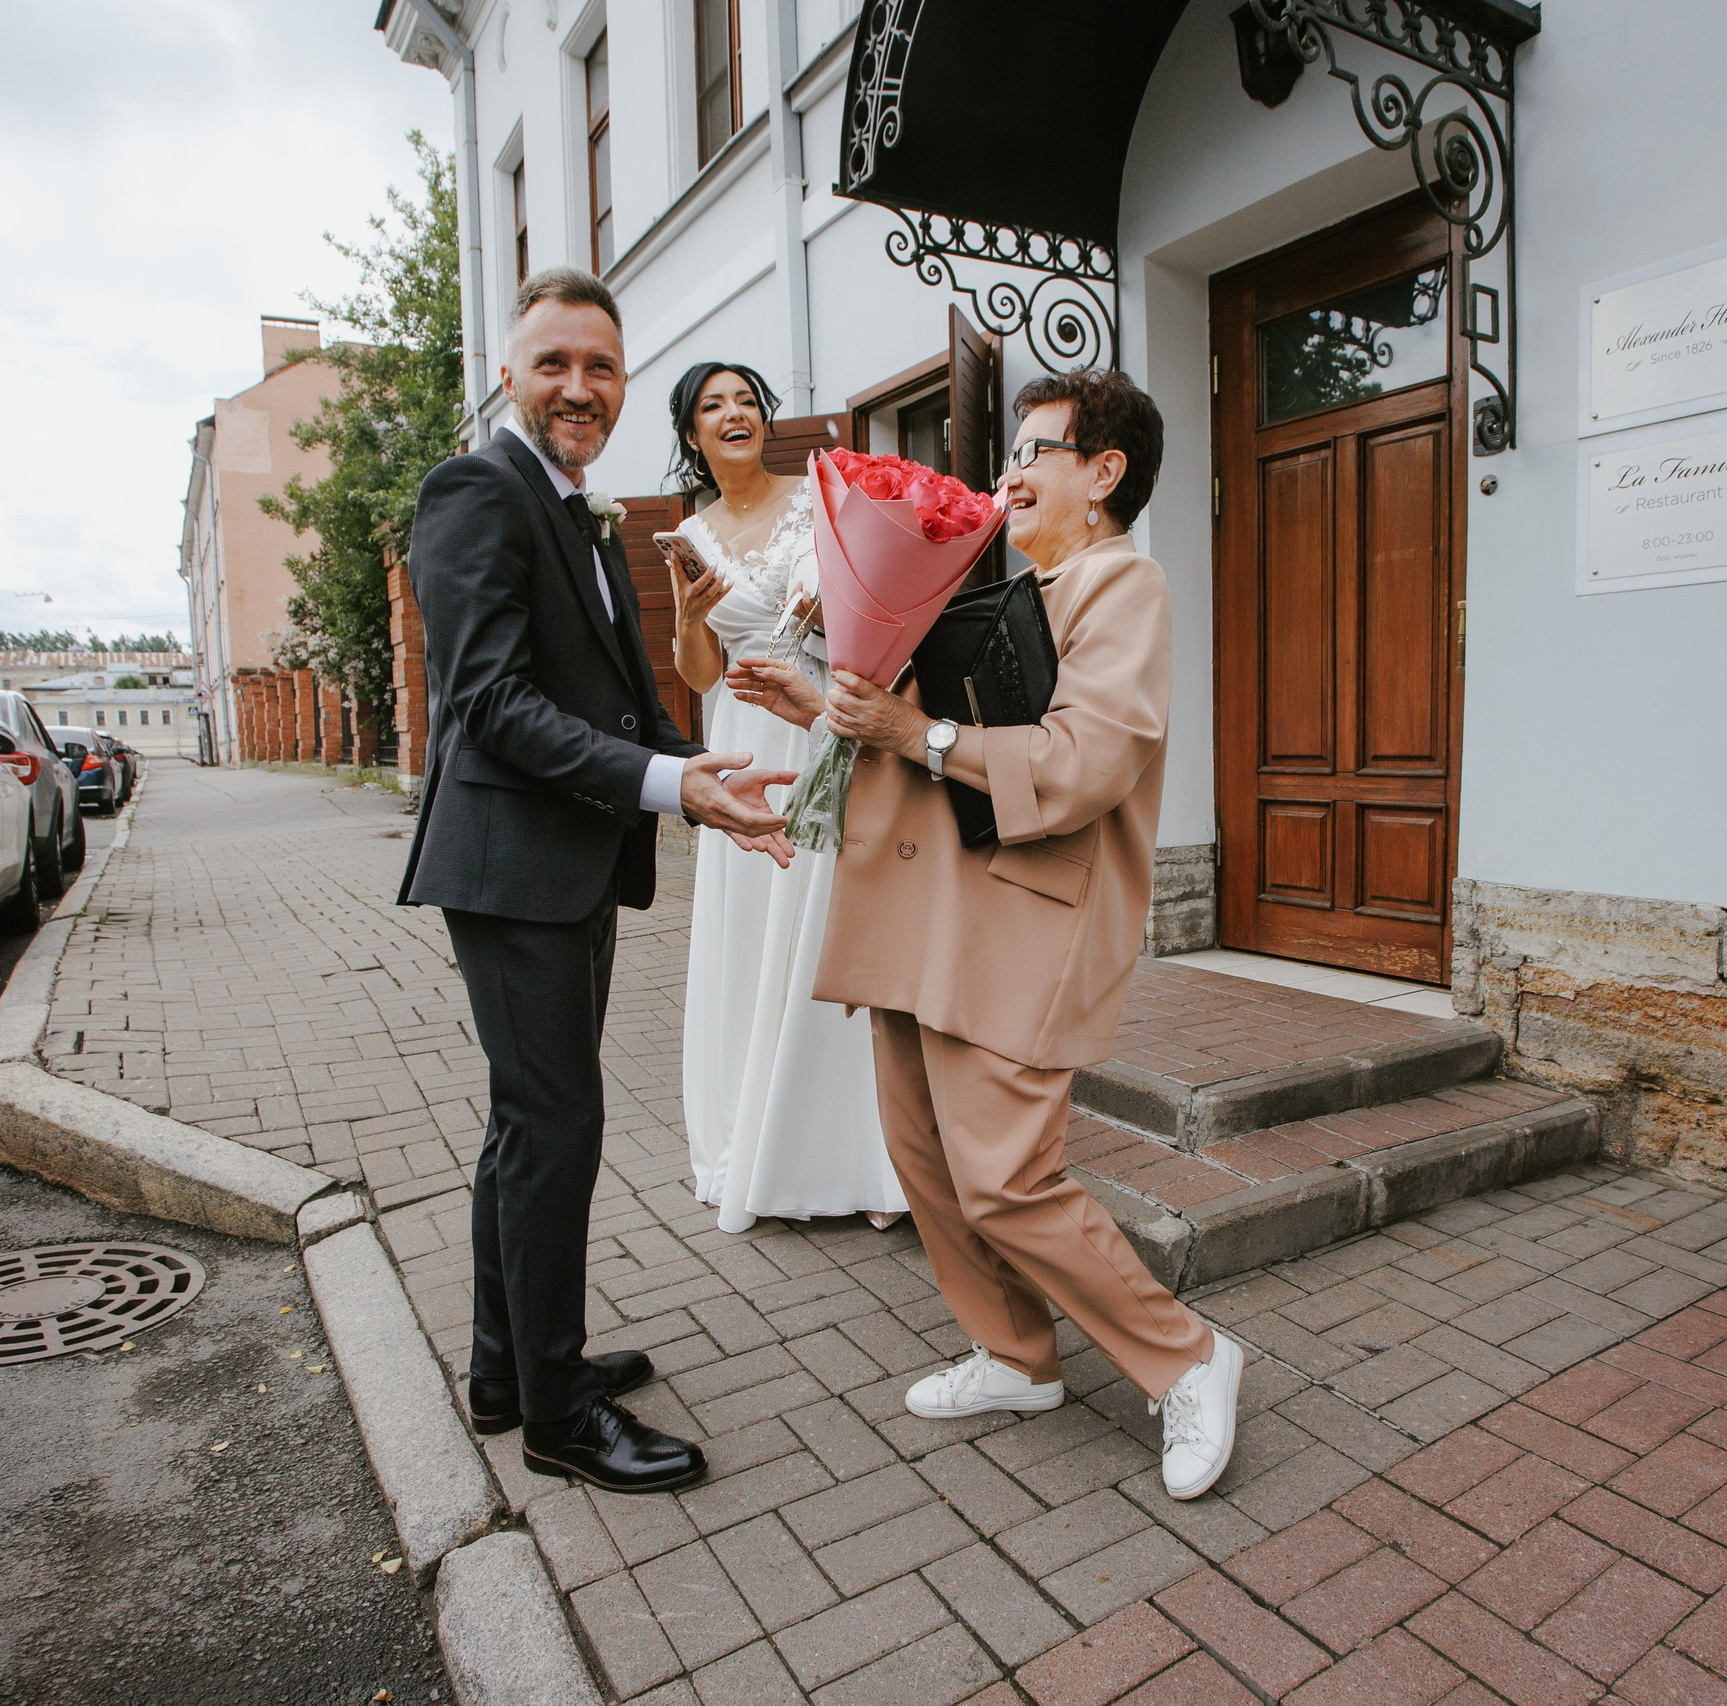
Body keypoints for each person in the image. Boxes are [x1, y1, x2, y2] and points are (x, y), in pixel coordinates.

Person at [727, 367, 1243, 1500]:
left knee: (1007, 1175)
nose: (1007, 472)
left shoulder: (1123, 585)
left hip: (1021, 917)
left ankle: (1189, 1355)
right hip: (926, 909)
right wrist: (827, 706)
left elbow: (1084, 757)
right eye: (1010, 452)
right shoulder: (1005, 583)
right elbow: (927, 732)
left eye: (1037, 452)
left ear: (1104, 473)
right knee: (923, 1154)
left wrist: (913, 730)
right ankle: (1016, 1354)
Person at [396, 268, 794, 1495]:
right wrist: (671, 788)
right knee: (555, 1125)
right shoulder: (478, 487)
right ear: (510, 374)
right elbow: (492, 705)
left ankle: (510, 1369)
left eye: (603, 366)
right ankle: (559, 1415)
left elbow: (601, 697)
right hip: (511, 866)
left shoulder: (574, 498)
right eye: (556, 362)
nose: (581, 386)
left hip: (562, 862)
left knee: (527, 1127)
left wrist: (692, 771)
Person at [661, 359, 907, 1235]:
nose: (734, 413)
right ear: (692, 434)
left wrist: (834, 606)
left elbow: (874, 608)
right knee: (754, 936)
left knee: (829, 929)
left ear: (765, 419)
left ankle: (861, 1156)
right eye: (712, 406)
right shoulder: (688, 533)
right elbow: (696, 674)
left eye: (746, 401)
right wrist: (692, 616)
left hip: (819, 725)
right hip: (742, 738)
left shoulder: (819, 495)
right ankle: (762, 1142)